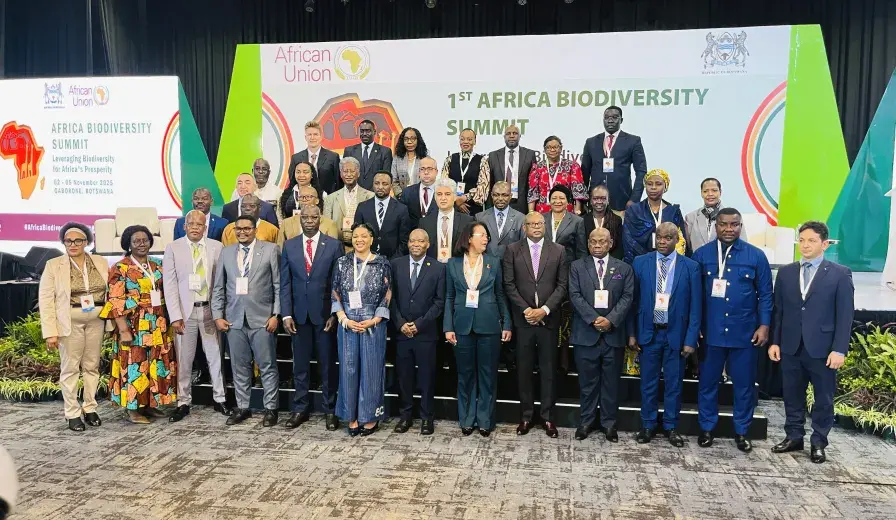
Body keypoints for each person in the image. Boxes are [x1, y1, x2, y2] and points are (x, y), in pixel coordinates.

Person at [769, 221, 854, 464]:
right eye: (802, 240)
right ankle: (794, 436)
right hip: (791, 345)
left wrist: (839, 349)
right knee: (792, 395)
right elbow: (779, 311)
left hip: (823, 349)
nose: (805, 245)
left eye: (811, 241)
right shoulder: (786, 272)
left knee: (823, 399)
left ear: (824, 244)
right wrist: (775, 342)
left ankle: (818, 442)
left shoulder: (839, 273)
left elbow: (845, 315)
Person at [692, 207, 773, 452]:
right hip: (711, 333)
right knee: (707, 383)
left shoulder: (756, 256)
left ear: (740, 226)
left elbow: (766, 295)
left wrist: (764, 325)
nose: (729, 229)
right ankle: (706, 428)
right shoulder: (702, 255)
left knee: (744, 386)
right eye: (724, 224)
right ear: (716, 226)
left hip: (744, 334)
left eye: (734, 225)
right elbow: (694, 296)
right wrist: (695, 328)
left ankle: (742, 431)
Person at [629, 222, 701, 446]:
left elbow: (696, 308)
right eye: (659, 237)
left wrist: (691, 339)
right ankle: (648, 425)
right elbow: (632, 302)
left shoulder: (690, 267)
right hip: (649, 334)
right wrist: (632, 334)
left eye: (667, 238)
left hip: (676, 336)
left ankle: (671, 427)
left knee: (674, 384)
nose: (662, 242)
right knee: (648, 384)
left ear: (677, 239)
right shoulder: (640, 263)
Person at [100, 225, 177, 424]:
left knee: (155, 364)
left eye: (145, 240)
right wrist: (123, 329)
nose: (142, 244)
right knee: (135, 364)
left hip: (157, 324)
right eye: (136, 241)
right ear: (128, 244)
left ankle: (149, 404)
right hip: (134, 324)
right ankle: (133, 409)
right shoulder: (120, 267)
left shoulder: (158, 265)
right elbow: (115, 301)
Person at [39, 222, 110, 432]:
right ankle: (72, 413)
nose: (73, 244)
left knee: (92, 366)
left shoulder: (100, 261)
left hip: (96, 319)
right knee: (70, 368)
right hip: (68, 320)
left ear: (86, 242)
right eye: (68, 240)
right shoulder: (54, 265)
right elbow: (46, 300)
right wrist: (50, 332)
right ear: (63, 242)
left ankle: (90, 408)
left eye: (78, 240)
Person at [212, 214, 282, 427]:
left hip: (262, 319)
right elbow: (219, 287)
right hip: (233, 320)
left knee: (267, 366)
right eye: (238, 229)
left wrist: (276, 314)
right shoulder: (226, 252)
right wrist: (217, 316)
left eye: (247, 228)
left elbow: (278, 285)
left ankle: (271, 408)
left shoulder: (270, 250)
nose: (242, 232)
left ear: (255, 230)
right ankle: (243, 407)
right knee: (239, 366)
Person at [503, 212, 568, 438]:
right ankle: (527, 416)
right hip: (524, 320)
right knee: (524, 370)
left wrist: (545, 310)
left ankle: (548, 417)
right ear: (524, 227)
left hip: (549, 320)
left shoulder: (559, 250)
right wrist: (527, 310)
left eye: (540, 223)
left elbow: (562, 285)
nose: (537, 227)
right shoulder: (512, 250)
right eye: (532, 224)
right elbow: (509, 285)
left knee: (549, 370)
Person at [444, 222, 512, 437]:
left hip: (489, 325)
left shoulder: (493, 262)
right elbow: (449, 297)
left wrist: (507, 323)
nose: (486, 239)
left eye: (487, 236)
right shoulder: (452, 264)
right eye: (482, 235)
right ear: (469, 238)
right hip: (462, 325)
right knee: (465, 375)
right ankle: (466, 419)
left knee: (487, 374)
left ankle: (485, 420)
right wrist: (448, 327)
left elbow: (501, 295)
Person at [280, 204, 344, 431]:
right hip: (298, 317)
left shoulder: (334, 246)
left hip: (325, 316)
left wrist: (335, 313)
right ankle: (300, 408)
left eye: (313, 217)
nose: (308, 220)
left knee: (327, 366)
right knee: (300, 366)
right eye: (304, 217)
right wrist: (286, 314)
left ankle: (330, 410)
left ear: (320, 219)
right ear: (299, 220)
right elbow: (285, 283)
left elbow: (338, 284)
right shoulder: (289, 246)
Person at [163, 210, 231, 422]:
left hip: (210, 311)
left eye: (199, 224)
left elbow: (221, 283)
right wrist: (175, 316)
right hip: (185, 313)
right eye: (190, 223)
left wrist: (220, 312)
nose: (194, 227)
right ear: (184, 226)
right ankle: (183, 401)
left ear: (205, 227)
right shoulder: (173, 248)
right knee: (184, 359)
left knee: (215, 357)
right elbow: (170, 285)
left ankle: (220, 398)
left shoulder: (217, 247)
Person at [568, 228, 634, 441]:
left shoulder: (623, 268)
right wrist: (594, 319)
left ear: (610, 242)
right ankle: (586, 422)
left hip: (613, 335)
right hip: (586, 334)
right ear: (588, 243)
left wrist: (611, 320)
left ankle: (608, 424)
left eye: (602, 241)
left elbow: (627, 297)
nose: (597, 245)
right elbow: (574, 295)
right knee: (587, 383)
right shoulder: (577, 267)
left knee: (610, 383)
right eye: (593, 241)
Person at [331, 223, 392, 436]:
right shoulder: (341, 263)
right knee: (348, 370)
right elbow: (335, 292)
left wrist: (374, 320)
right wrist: (343, 319)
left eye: (364, 236)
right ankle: (351, 416)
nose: (359, 240)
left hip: (372, 324)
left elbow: (387, 295)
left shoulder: (382, 264)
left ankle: (369, 416)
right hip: (347, 323)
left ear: (371, 239)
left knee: (371, 370)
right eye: (355, 236)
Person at [390, 229, 446, 436]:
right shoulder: (395, 265)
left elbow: (439, 302)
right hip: (401, 332)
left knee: (426, 377)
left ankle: (426, 418)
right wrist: (401, 323)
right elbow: (391, 299)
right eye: (412, 240)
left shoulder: (439, 268)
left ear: (428, 244)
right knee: (404, 376)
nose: (415, 244)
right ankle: (405, 417)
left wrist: (420, 323)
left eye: (420, 241)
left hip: (426, 333)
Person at [581, 106, 648, 214]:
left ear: (621, 120)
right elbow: (584, 173)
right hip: (595, 202)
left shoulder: (633, 141)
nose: (610, 120)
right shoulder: (591, 142)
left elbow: (641, 172)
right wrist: (583, 200)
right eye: (606, 117)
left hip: (622, 202)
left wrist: (634, 199)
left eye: (614, 117)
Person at [622, 169, 688, 264]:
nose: (653, 187)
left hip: (669, 262)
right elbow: (628, 241)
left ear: (665, 186)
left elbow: (681, 240)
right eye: (649, 184)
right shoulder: (634, 210)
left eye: (658, 184)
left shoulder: (673, 211)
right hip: (640, 263)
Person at [354, 171, 411, 259]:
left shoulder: (401, 209)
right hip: (366, 260)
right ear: (373, 184)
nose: (380, 187)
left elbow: (404, 241)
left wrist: (394, 261)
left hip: (392, 261)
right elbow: (357, 236)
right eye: (377, 183)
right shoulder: (362, 207)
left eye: (384, 184)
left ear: (391, 186)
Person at [324, 157, 374, 251]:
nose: (349, 175)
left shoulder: (370, 196)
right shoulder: (330, 198)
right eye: (345, 171)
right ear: (341, 174)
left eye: (352, 171)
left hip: (362, 247)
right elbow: (327, 226)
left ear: (358, 173)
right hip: (337, 248)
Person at [527, 136, 586, 214]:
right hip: (543, 211)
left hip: (566, 209)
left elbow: (578, 191)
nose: (552, 150)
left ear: (561, 148)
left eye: (555, 147)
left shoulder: (572, 166)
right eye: (549, 147)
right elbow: (532, 193)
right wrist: (531, 213)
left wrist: (577, 210)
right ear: (544, 149)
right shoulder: (538, 167)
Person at [486, 124, 537, 215]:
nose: (512, 136)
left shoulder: (529, 154)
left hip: (522, 204)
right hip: (498, 202)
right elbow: (490, 183)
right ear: (504, 136)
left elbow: (532, 183)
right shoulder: (493, 155)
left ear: (520, 136)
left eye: (515, 133)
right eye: (508, 133)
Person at [440, 128, 490, 216]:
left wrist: (464, 197)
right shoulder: (450, 159)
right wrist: (457, 201)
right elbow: (444, 184)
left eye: (469, 139)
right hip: (452, 207)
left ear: (475, 141)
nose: (465, 142)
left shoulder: (482, 161)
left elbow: (483, 188)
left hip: (473, 209)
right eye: (462, 139)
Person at [685, 178, 741, 252]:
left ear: (720, 192)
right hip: (697, 261)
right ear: (701, 193)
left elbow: (742, 244)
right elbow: (687, 247)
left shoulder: (733, 216)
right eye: (705, 191)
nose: (710, 194)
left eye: (714, 190)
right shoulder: (691, 217)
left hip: (726, 262)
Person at [288, 120, 341, 195]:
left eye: (315, 134)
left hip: (328, 201)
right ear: (305, 137)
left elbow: (338, 183)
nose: (312, 137)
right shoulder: (296, 158)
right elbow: (292, 182)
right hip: (303, 200)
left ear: (321, 136)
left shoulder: (333, 157)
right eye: (309, 134)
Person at [476, 181, 525, 260]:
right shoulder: (480, 217)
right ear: (491, 195)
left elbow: (523, 246)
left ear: (510, 196)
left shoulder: (521, 218)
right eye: (496, 195)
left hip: (511, 265)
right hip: (486, 265)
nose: (500, 199)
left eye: (504, 195)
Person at [342, 119, 394, 190]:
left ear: (374, 132)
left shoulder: (385, 152)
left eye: (368, 131)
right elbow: (345, 174)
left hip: (375, 195)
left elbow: (386, 177)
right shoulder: (349, 151)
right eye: (362, 131)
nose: (364, 134)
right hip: (354, 195)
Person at [543, 185, 588, 265]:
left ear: (568, 201)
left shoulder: (577, 221)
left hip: (567, 267)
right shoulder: (541, 218)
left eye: (561, 198)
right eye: (554, 198)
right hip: (544, 266)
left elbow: (581, 251)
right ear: (549, 201)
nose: (557, 201)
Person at [582, 184, 623, 259]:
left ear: (608, 200)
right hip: (587, 263)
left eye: (603, 198)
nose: (599, 202)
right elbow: (581, 247)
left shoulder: (617, 220)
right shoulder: (582, 220)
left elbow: (619, 248)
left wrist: (610, 264)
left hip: (611, 263)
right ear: (590, 200)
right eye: (595, 198)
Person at [400, 156, 440, 230]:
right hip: (413, 237)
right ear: (418, 172)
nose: (426, 172)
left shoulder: (443, 193)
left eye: (430, 169)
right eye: (422, 169)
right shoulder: (407, 192)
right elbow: (402, 221)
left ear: (436, 172)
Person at [390, 127, 429, 195]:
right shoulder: (397, 158)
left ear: (418, 140)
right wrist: (401, 195)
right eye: (406, 139)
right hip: (401, 198)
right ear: (402, 141)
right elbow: (394, 180)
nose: (409, 142)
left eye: (413, 139)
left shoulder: (425, 159)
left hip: (420, 197)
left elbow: (428, 180)